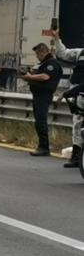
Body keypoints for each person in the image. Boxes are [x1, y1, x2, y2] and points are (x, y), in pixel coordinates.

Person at [21, 42, 62, 156]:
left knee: (41, 121)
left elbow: (45, 76)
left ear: (42, 52)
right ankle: (42, 145)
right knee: (39, 121)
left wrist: (30, 76)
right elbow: (37, 77)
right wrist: (28, 77)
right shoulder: (42, 64)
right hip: (38, 95)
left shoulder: (51, 63)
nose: (37, 56)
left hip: (44, 96)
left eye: (38, 54)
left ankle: (44, 147)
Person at [52, 30, 84, 166]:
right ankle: (77, 156)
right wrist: (57, 38)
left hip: (79, 92)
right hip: (79, 94)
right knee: (78, 123)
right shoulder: (80, 53)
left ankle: (77, 156)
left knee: (78, 123)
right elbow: (62, 54)